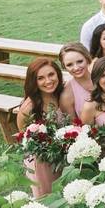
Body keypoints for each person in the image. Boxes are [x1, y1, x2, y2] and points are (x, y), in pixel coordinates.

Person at [17, 58, 65, 196]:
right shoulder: (29, 108)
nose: (48, 81)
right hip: (42, 162)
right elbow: (23, 138)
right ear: (34, 81)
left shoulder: (61, 94)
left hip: (64, 156)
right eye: (41, 78)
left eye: (51, 75)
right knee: (49, 198)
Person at [58, 42, 93, 119]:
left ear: (87, 58)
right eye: (69, 65)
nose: (76, 68)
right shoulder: (66, 95)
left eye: (80, 61)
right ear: (64, 66)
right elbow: (73, 126)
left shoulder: (103, 77)